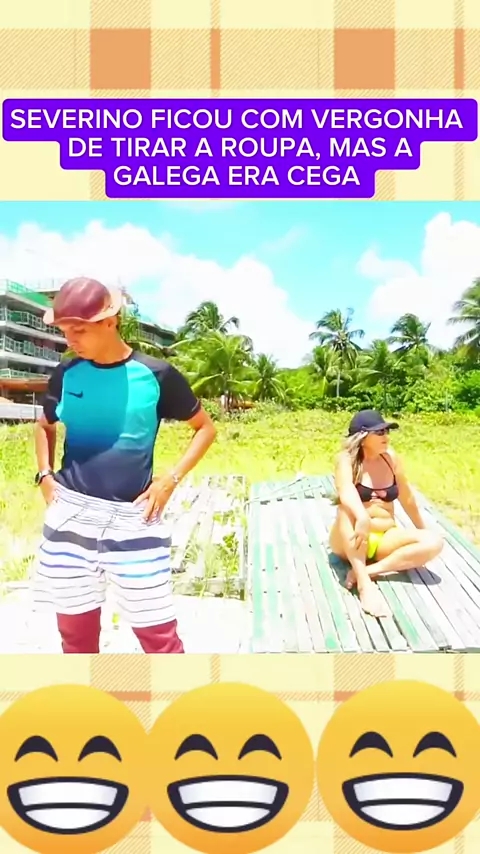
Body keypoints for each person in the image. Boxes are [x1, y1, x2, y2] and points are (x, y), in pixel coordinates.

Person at [33, 277, 217, 654]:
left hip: (134, 518)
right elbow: (44, 424)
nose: (70, 340)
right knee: (75, 638)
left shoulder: (157, 375)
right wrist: (45, 475)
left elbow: (205, 429)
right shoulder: (66, 374)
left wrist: (170, 480)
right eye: (64, 330)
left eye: (79, 330)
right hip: (71, 514)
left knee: (160, 640)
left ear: (110, 321)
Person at [329, 409, 443, 618]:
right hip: (350, 539)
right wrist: (362, 517)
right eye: (380, 432)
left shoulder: (391, 459)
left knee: (434, 542)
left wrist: (421, 530)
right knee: (345, 508)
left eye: (386, 431)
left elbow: (407, 498)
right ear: (363, 437)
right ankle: (364, 584)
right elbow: (345, 490)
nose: (386, 436)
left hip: (384, 538)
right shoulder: (346, 460)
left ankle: (369, 571)